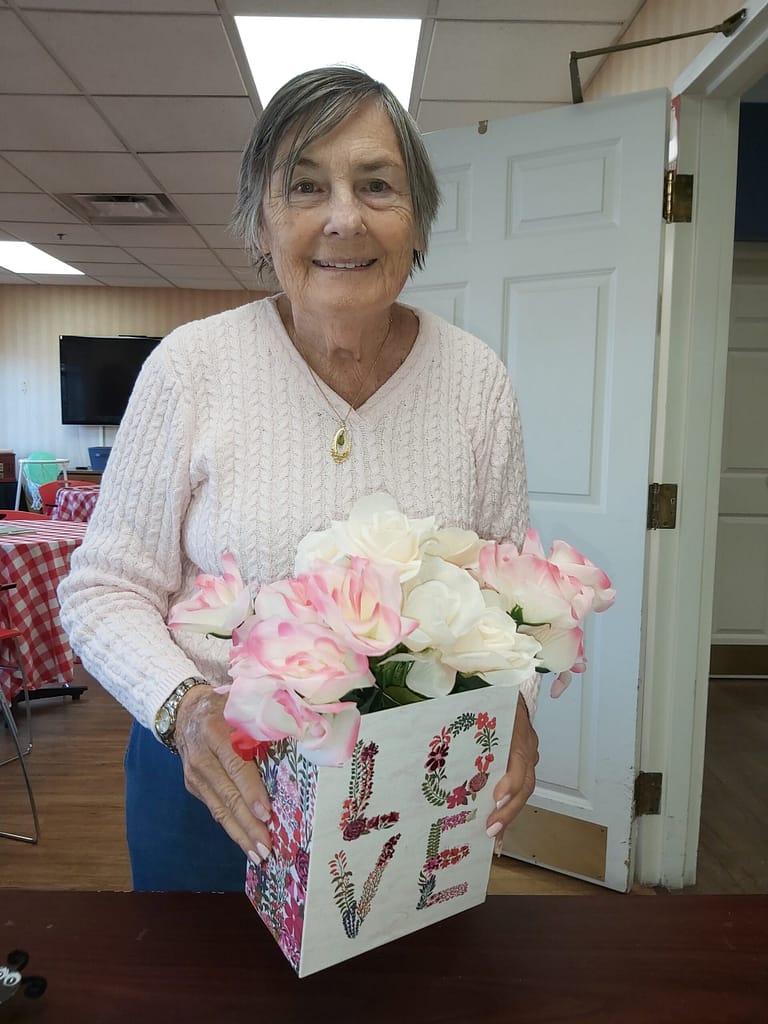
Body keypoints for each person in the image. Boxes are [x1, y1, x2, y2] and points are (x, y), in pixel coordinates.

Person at [58, 65, 540, 893]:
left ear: (417, 217)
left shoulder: (476, 380)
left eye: (377, 185)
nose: (344, 217)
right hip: (218, 784)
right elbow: (101, 588)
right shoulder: (192, 369)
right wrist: (185, 709)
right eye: (306, 186)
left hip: (408, 791)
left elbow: (499, 585)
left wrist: (515, 706)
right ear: (260, 222)